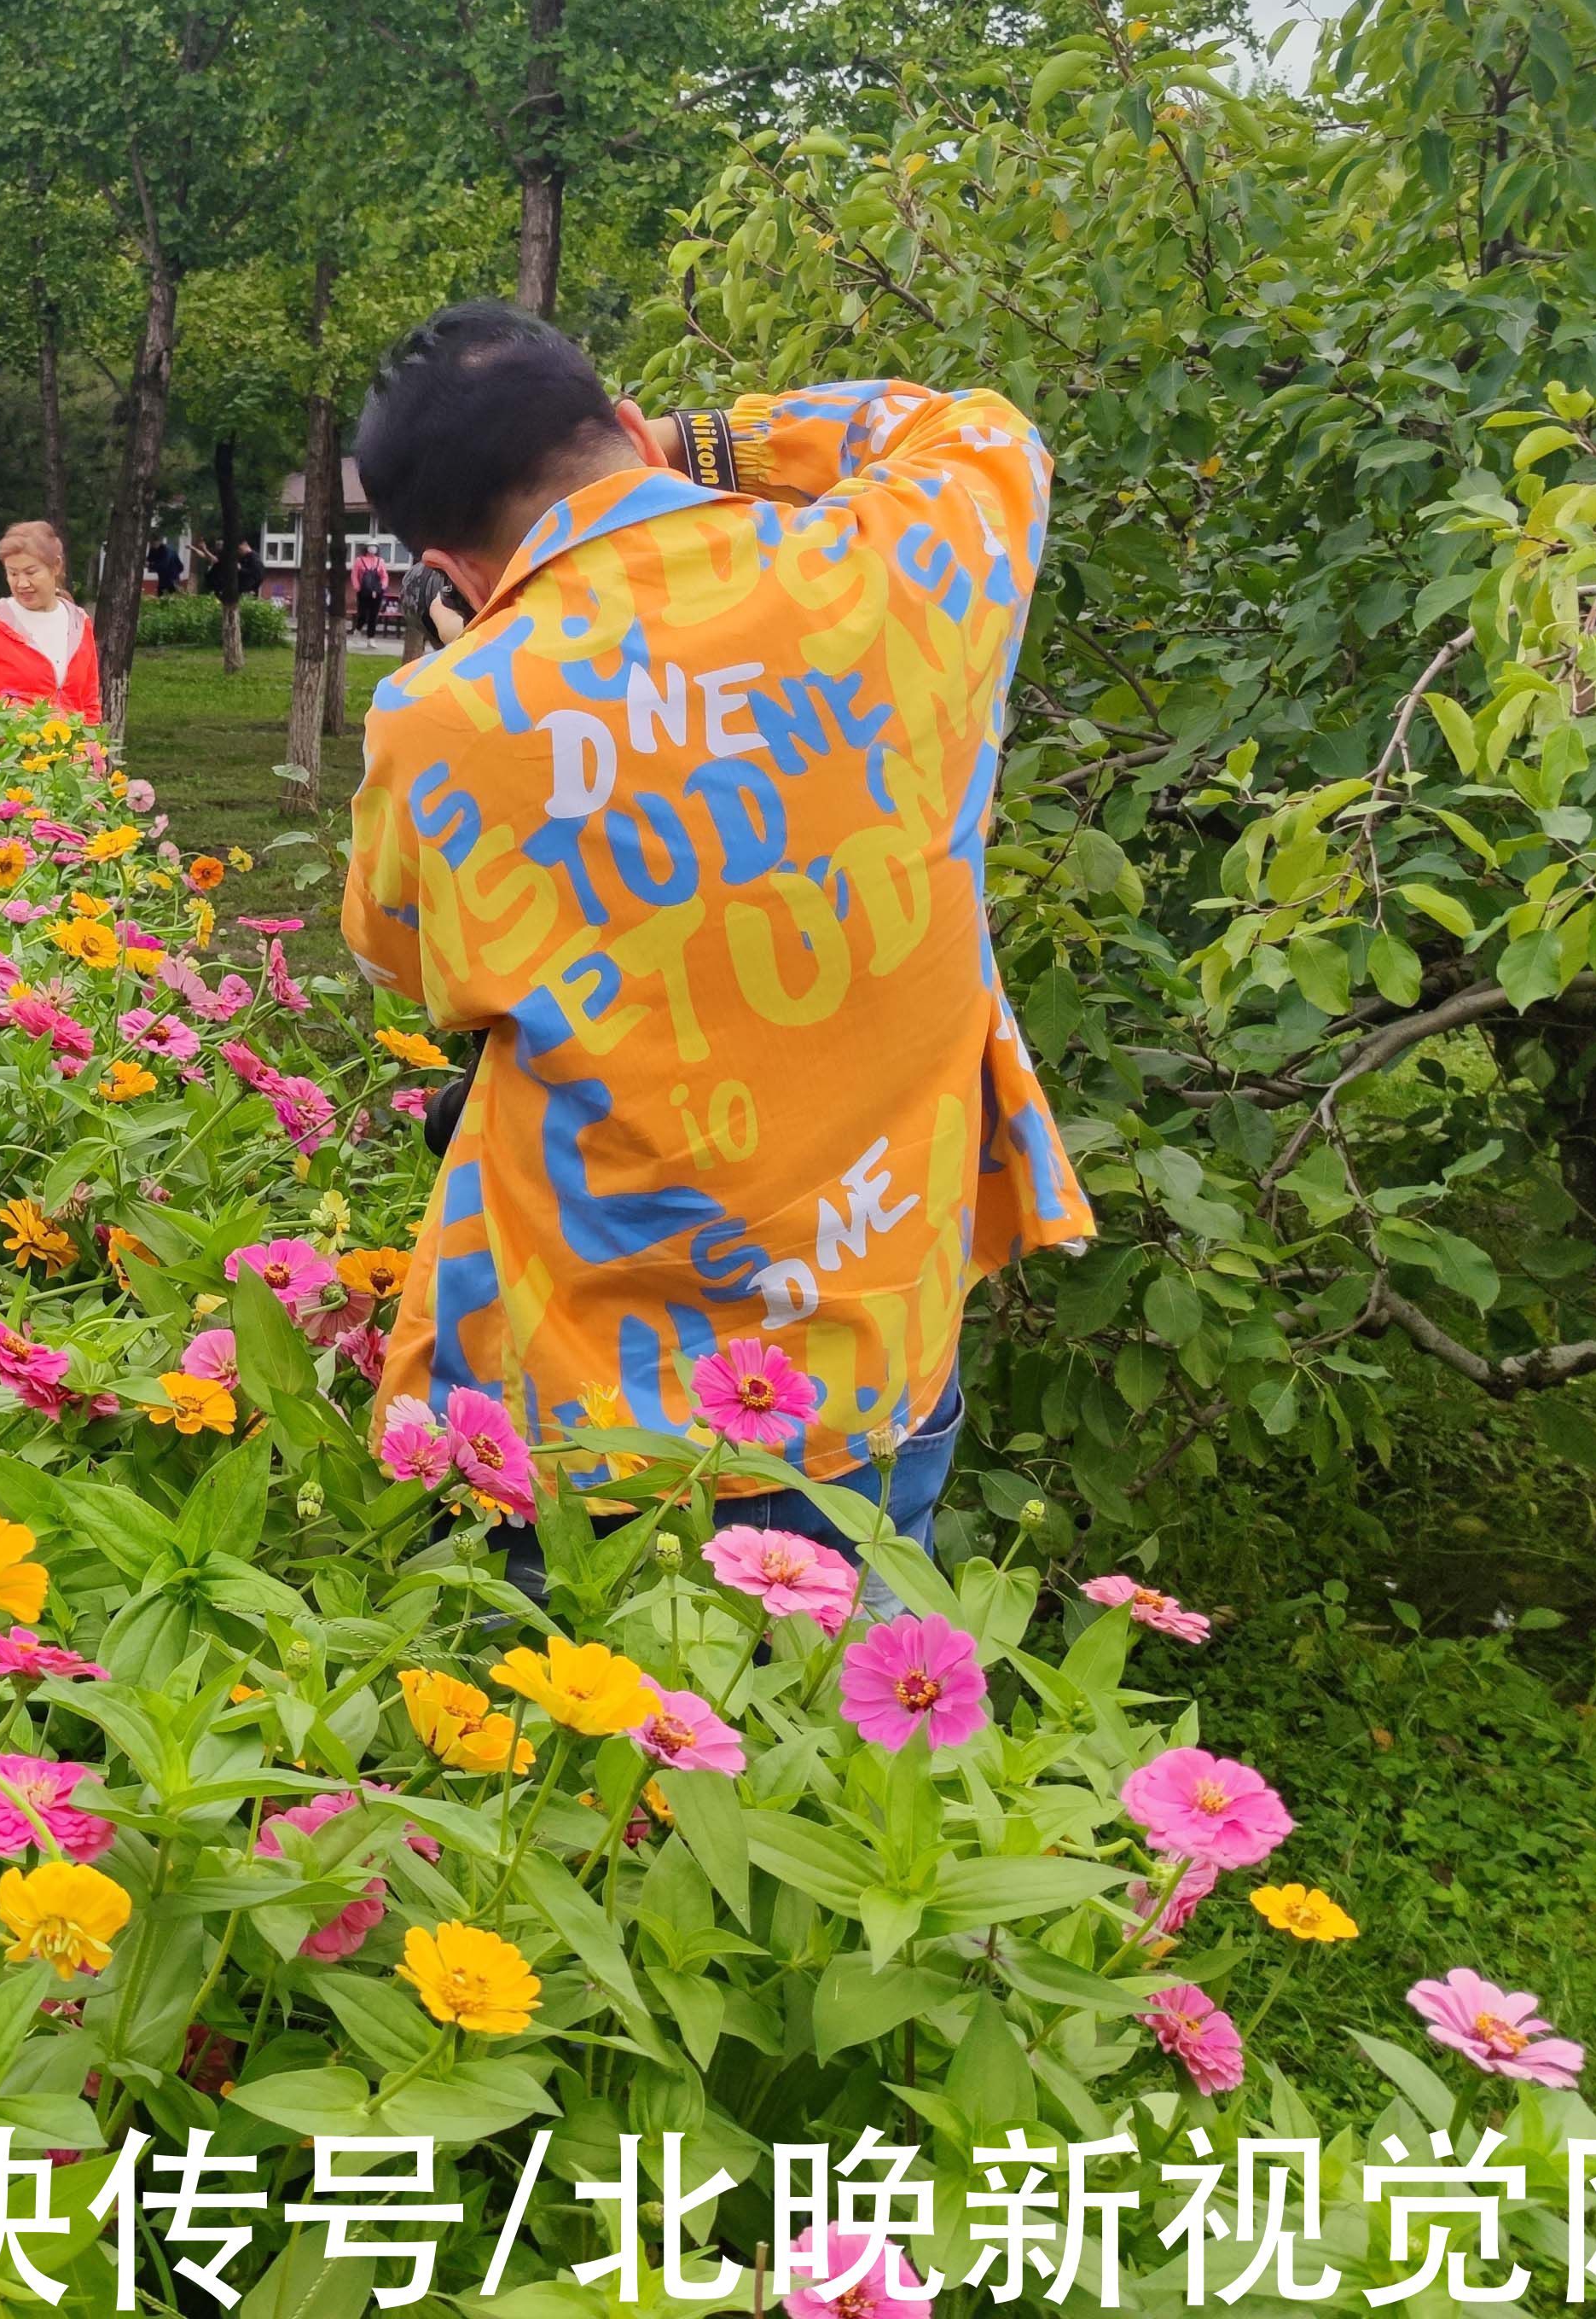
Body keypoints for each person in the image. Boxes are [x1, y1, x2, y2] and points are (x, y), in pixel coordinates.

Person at [340, 299, 1089, 1580]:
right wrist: (706, 447)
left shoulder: (444, 718)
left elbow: (407, 969)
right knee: (825, 1750)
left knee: (565, 1754)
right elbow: (974, 427)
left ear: (450, 569)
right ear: (627, 430)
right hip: (876, 1360)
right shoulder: (893, 567)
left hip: (592, 1418)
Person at [0, 520, 101, 712]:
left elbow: (89, 704)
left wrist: (89, 740)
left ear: (56, 566)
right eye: (13, 574)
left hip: (68, 741)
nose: (22, 584)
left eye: (31, 572)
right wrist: (6, 718)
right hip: (4, 741)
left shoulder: (79, 623)